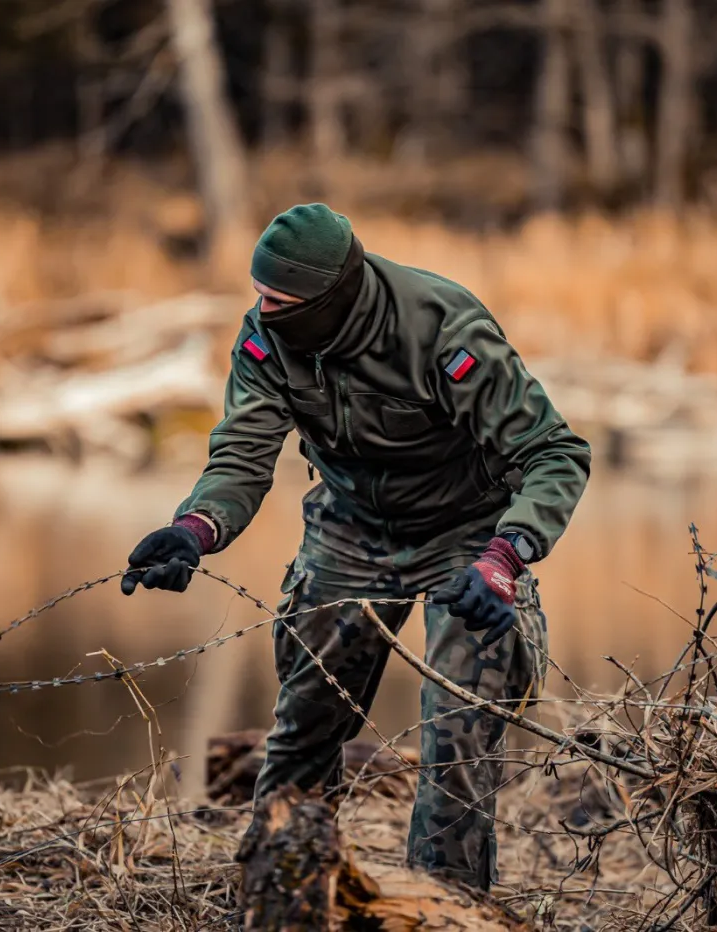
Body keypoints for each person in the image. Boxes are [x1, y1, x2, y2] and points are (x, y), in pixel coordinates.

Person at [120, 203, 590, 891]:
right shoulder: (266, 338)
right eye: (258, 294)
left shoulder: (441, 326)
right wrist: (194, 531)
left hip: (466, 536)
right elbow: (243, 457)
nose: (262, 310)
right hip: (348, 532)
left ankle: (443, 906)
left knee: (457, 736)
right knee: (305, 725)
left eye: (277, 300)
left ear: (329, 296)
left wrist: (504, 558)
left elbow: (555, 453)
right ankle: (280, 892)